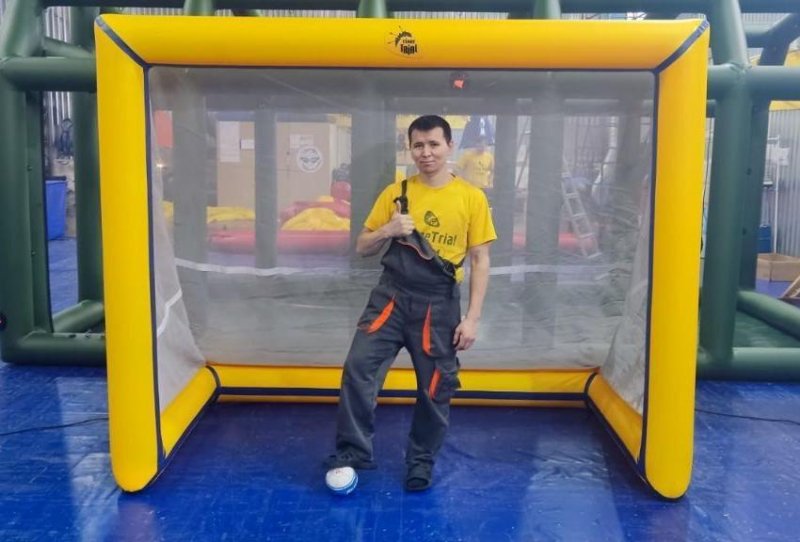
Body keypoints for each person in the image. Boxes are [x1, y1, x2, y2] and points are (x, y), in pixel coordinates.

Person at [326, 115, 497, 492]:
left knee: (435, 387)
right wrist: (388, 229)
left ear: (449, 146)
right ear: (410, 149)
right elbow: (362, 246)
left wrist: (472, 318)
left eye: (434, 144)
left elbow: (480, 260)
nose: (426, 152)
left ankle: (420, 460)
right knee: (358, 367)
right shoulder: (396, 192)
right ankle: (353, 451)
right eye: (418, 145)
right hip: (391, 297)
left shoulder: (472, 198)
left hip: (438, 304)